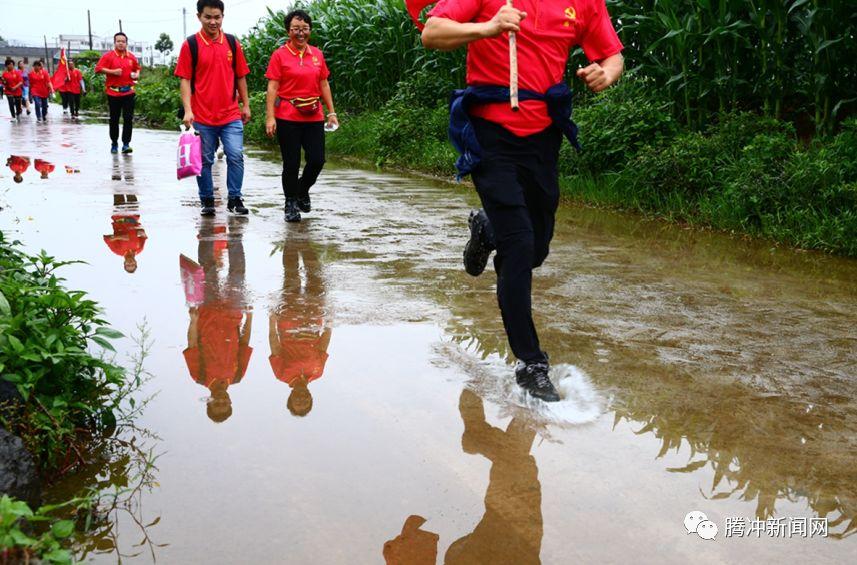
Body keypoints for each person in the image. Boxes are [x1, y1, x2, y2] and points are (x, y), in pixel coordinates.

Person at [421, 0, 624, 401]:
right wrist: (488, 27)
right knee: (517, 246)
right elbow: (433, 32)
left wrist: (607, 73)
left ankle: (486, 228)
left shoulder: (583, 3)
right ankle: (531, 363)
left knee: (536, 247)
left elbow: (612, 54)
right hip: (490, 133)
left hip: (543, 138)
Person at [176, 0, 252, 217]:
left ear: (223, 17)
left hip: (230, 114)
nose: (213, 21)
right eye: (208, 17)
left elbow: (241, 76)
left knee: (235, 155)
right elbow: (185, 80)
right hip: (202, 116)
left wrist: (245, 104)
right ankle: (207, 200)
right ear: (199, 16)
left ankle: (235, 198)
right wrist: (188, 110)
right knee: (206, 160)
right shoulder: (190, 45)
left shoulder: (231, 43)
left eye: (217, 17)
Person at [264, 9, 338, 222]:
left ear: (310, 31)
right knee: (291, 162)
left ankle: (302, 190)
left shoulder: (317, 55)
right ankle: (290, 203)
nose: (300, 33)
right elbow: (273, 87)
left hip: (314, 115)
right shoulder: (280, 55)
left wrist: (331, 112)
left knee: (317, 159)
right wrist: (270, 117)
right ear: (288, 31)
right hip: (287, 116)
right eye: (296, 29)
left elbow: (323, 83)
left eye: (304, 29)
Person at [181, 218, 252, 423]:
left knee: (208, 269)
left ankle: (207, 230)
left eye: (217, 405)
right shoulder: (237, 376)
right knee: (237, 273)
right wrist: (250, 317)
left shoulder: (200, 376)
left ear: (209, 401)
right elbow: (245, 344)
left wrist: (193, 321)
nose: (222, 401)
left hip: (208, 314)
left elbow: (192, 345)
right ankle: (235, 235)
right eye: (225, 405)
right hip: (233, 313)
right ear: (230, 402)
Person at [268, 234, 331, 417]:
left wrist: (272, 320)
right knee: (315, 277)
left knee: (291, 275)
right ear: (311, 398)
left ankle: (290, 240)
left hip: (289, 317)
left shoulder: (281, 375)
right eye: (305, 402)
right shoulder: (317, 373)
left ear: (290, 398)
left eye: (297, 402)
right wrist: (329, 323)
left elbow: (275, 345)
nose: (301, 399)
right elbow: (323, 345)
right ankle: (304, 240)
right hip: (313, 317)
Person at [95, 32, 141, 154]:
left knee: (128, 119)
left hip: (128, 92)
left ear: (126, 43)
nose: (121, 43)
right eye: (118, 41)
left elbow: (137, 68)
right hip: (113, 93)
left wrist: (137, 74)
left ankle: (126, 144)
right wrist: (112, 72)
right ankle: (114, 143)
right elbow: (98, 69)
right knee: (114, 119)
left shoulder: (131, 57)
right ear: (114, 43)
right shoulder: (108, 56)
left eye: (123, 41)